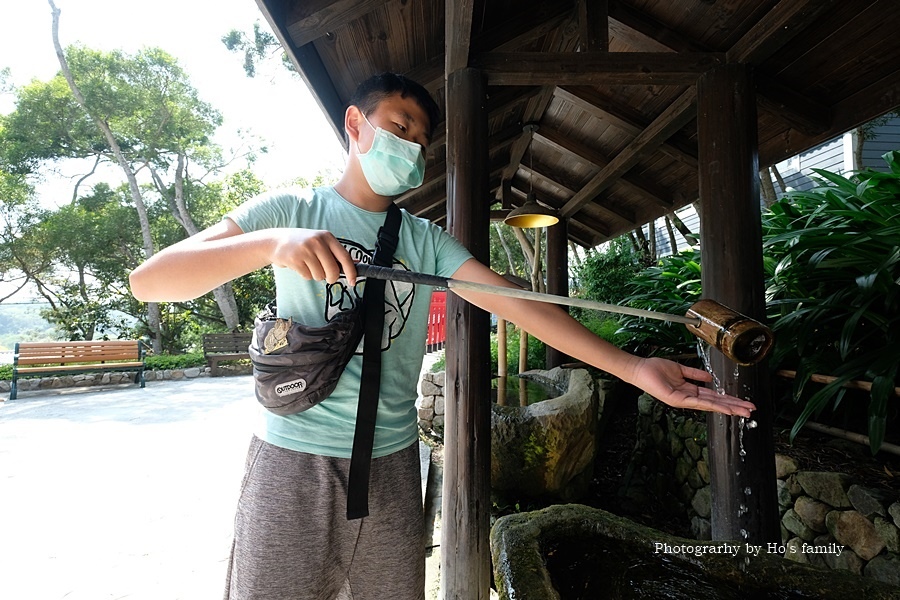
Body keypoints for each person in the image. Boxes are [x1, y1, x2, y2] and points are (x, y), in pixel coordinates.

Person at [129, 73, 755, 600]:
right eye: (398, 128)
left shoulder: (422, 240)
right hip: (293, 464)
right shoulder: (290, 211)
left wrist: (633, 367)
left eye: (420, 142)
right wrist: (270, 244)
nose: (408, 146)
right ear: (356, 124)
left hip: (394, 468)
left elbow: (519, 304)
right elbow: (152, 282)